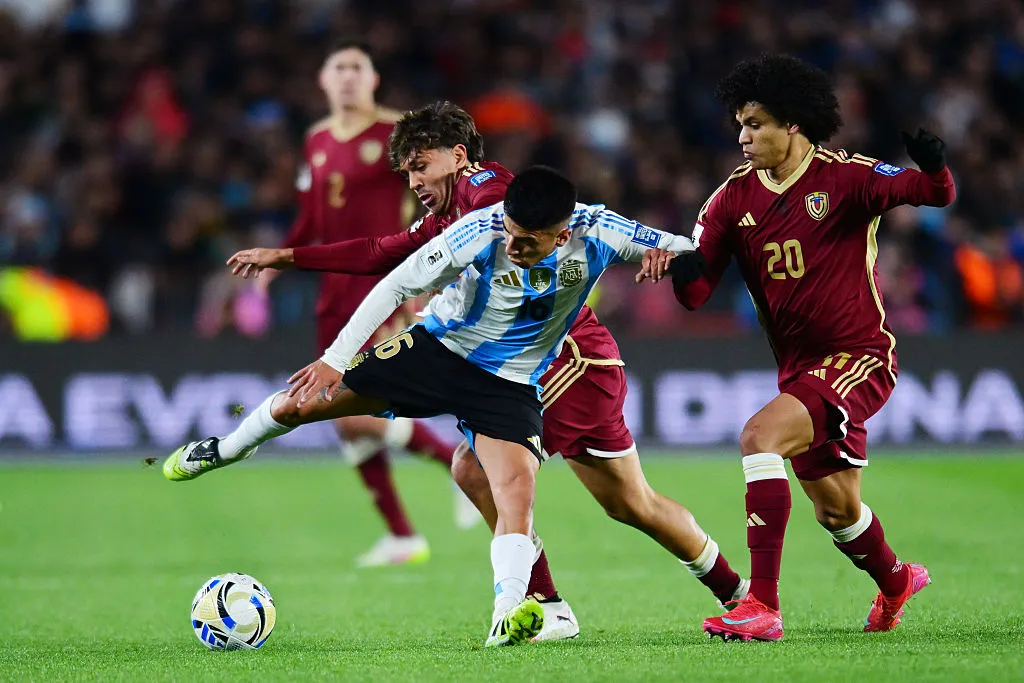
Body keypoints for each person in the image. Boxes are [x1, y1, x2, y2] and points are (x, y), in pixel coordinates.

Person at [228, 101, 748, 643]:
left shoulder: (488, 193)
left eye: (419, 166)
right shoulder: (445, 217)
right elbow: (384, 254)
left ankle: (722, 596)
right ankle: (561, 605)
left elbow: (512, 225)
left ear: (457, 157)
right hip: (523, 359)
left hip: (569, 361)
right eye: (406, 171)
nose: (413, 180)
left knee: (617, 500)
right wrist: (287, 258)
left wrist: (670, 257)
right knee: (589, 494)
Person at [638, 54, 956, 642]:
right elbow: (696, 293)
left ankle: (761, 605)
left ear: (793, 124)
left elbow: (931, 193)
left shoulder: (848, 177)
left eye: (755, 123)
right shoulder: (729, 201)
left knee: (759, 437)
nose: (743, 136)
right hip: (801, 369)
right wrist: (678, 266)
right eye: (740, 123)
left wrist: (935, 168)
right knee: (837, 511)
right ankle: (896, 582)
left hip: (859, 356)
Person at [262, 40, 462, 567]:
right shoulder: (317, 140)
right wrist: (277, 260)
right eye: (339, 68)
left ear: (373, 80)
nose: (348, 77)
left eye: (358, 68)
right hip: (332, 290)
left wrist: (430, 270)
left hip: (382, 287)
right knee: (340, 415)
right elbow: (310, 217)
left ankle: (458, 467)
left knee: (348, 408)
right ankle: (402, 534)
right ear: (324, 81)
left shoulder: (398, 136)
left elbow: (436, 197)